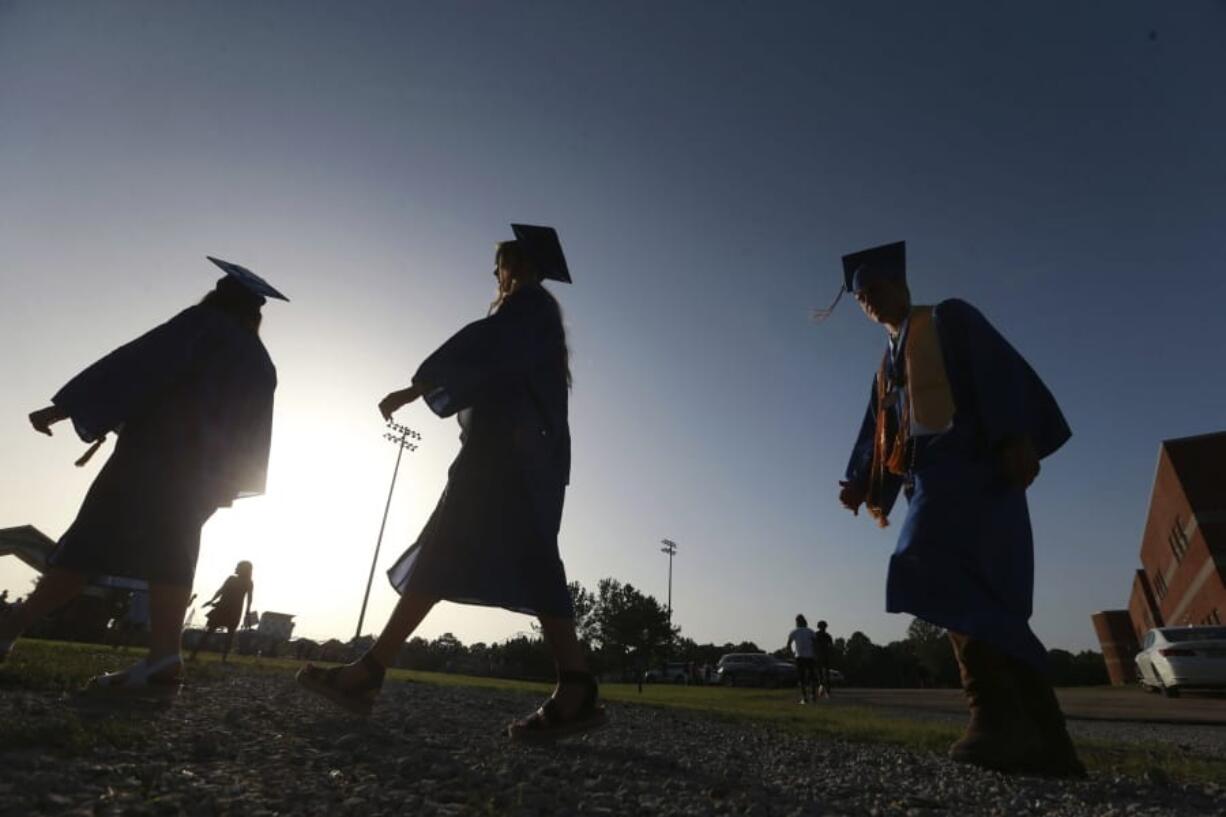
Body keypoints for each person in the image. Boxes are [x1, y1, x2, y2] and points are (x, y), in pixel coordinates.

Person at [297, 225, 604, 739]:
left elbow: (487, 346)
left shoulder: (527, 308)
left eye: (499, 268)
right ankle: (573, 686)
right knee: (471, 554)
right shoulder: (537, 317)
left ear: (517, 266)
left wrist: (420, 383)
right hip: (512, 456)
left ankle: (369, 673)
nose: (496, 277)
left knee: (472, 551)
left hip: (506, 459)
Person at [831, 241, 1083, 776]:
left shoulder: (947, 318)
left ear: (902, 285)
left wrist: (1016, 435)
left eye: (875, 290)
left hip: (973, 466)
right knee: (976, 592)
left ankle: (996, 719)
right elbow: (878, 434)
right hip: (927, 480)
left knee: (939, 568)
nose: (869, 302)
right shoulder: (886, 368)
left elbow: (999, 371)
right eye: (860, 299)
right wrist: (861, 483)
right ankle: (1045, 739)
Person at [0, 258, 282, 695]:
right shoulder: (261, 361)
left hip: (153, 460)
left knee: (88, 544)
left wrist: (66, 406)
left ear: (216, 297)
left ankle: (8, 632)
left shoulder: (202, 323)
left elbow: (137, 364)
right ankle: (164, 657)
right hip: (206, 476)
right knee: (172, 552)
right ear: (255, 313)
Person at [190, 561, 254, 663]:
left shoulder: (241, 581)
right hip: (231, 609)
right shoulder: (243, 581)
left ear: (243, 569)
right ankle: (221, 659)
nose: (236, 568)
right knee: (226, 635)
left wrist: (247, 611)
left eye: (238, 567)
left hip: (226, 608)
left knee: (211, 632)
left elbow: (221, 591)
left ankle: (195, 654)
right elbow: (222, 591)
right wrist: (212, 600)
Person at [785, 614, 819, 703]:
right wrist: (815, 654)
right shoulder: (810, 631)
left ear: (797, 622)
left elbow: (788, 645)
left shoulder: (794, 632)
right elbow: (815, 644)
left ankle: (804, 697)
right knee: (812, 677)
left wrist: (791, 654)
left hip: (799, 656)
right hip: (810, 656)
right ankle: (813, 695)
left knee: (802, 678)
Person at [813, 620, 834, 698]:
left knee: (821, 674)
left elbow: (813, 645)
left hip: (820, 656)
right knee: (825, 674)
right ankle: (826, 691)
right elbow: (831, 646)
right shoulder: (827, 635)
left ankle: (823, 690)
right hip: (823, 656)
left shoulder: (816, 635)